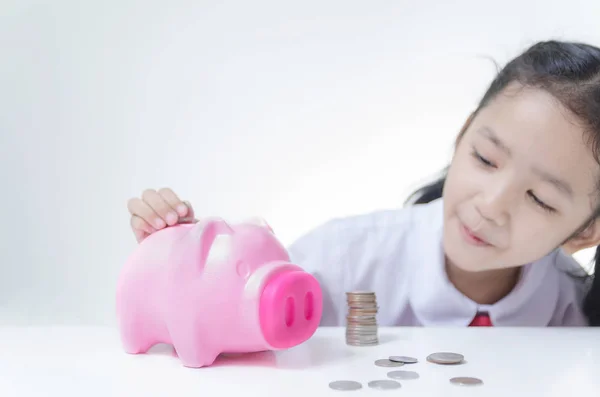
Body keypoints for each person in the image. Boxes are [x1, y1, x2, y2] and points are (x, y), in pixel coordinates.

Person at [127, 40, 600, 327]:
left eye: (539, 198)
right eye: (485, 157)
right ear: (462, 136)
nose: (492, 205)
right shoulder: (342, 259)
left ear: (585, 232)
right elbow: (228, 332)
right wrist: (179, 264)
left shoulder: (574, 309)